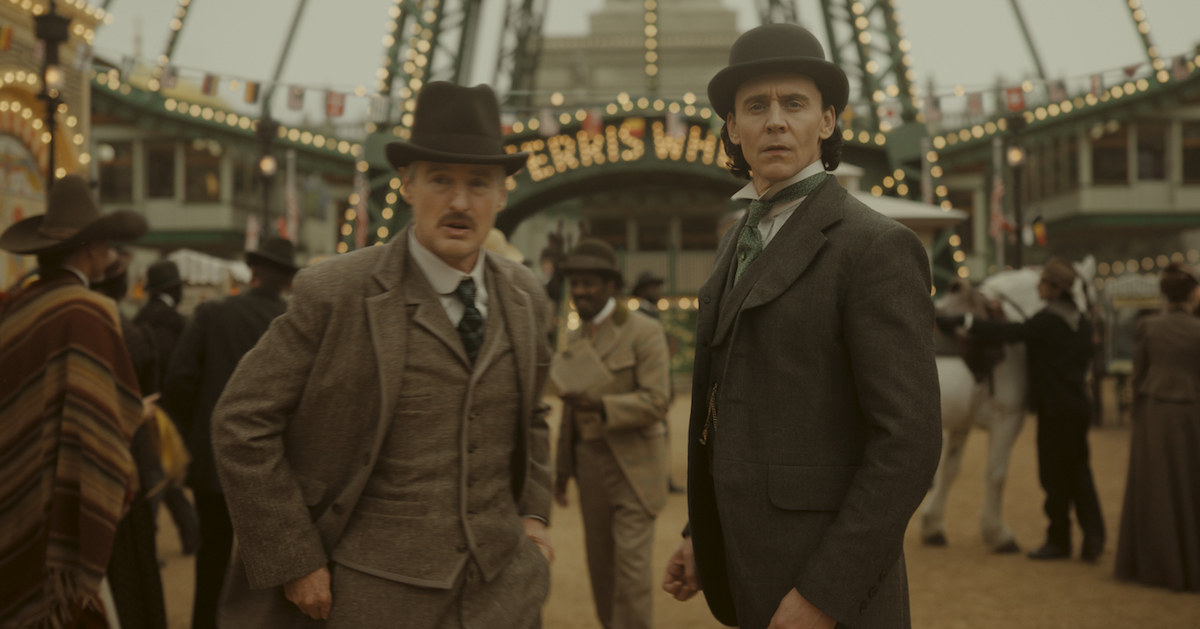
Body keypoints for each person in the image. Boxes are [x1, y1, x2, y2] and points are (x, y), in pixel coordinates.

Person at [210, 81, 554, 628]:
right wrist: (295, 558)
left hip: (503, 596)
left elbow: (533, 414)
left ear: (502, 194)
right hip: (369, 598)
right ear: (408, 185)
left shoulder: (527, 296)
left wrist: (533, 517)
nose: (460, 202)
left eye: (478, 183)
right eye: (441, 180)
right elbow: (240, 421)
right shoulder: (336, 291)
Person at [661, 24, 942, 629]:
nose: (776, 121)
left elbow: (909, 442)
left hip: (831, 592)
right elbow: (730, 406)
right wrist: (701, 534)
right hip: (747, 571)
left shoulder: (876, 247)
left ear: (828, 120)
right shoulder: (735, 237)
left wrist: (825, 593)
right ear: (733, 128)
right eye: (755, 106)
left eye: (794, 103)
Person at [0, 175, 148, 628]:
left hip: (12, 484)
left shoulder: (14, 308)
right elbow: (106, 418)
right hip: (63, 493)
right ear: (91, 249)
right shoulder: (87, 311)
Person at [160, 237, 299, 629]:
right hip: (275, 466)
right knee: (273, 563)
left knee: (213, 556)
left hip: (213, 462)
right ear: (288, 281)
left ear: (252, 272)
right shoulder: (292, 321)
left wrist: (195, 437)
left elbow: (180, 382)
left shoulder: (211, 314)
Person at [939, 257, 1104, 562]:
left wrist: (965, 321)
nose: (1038, 287)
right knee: (1080, 473)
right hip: (1078, 406)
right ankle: (1094, 537)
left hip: (1054, 411)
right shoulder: (1079, 321)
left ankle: (1059, 541)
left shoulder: (1046, 321)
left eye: (1043, 283)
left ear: (1055, 289)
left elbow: (1009, 333)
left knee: (1052, 476)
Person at [554, 239, 671, 629]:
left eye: (589, 283)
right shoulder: (577, 335)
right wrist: (562, 470)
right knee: (600, 569)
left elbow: (657, 401)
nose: (580, 291)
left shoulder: (644, 331)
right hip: (590, 466)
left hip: (635, 466)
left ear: (611, 287)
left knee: (632, 575)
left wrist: (603, 406)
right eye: (576, 283)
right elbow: (570, 415)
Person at [1115, 263, 1200, 591]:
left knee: (1156, 488)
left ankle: (1155, 564)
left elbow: (1139, 374)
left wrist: (1134, 409)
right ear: (1193, 294)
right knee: (1190, 486)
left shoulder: (1148, 326)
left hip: (1154, 409)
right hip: (1192, 410)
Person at [132, 259, 201, 556]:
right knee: (162, 480)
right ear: (174, 288)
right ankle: (185, 536)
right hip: (169, 414)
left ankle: (190, 534)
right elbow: (184, 375)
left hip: (140, 409)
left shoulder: (136, 320)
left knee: (158, 477)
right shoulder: (180, 325)